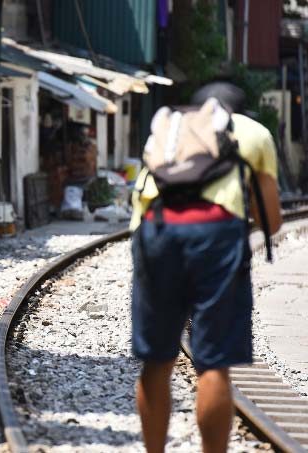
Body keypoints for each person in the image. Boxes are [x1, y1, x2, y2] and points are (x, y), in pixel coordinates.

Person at [130, 81, 282, 453]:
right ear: (237, 110)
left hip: (155, 233)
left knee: (156, 358)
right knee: (213, 362)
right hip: (214, 236)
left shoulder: (169, 129)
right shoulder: (253, 132)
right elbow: (273, 221)